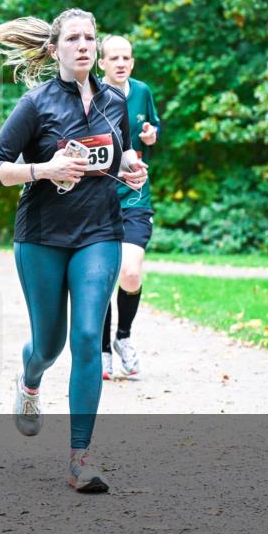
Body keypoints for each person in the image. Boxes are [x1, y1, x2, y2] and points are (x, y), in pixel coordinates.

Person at [0, 9, 147, 493]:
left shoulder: (116, 101)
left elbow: (119, 155)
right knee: (49, 345)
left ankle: (81, 458)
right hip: (41, 238)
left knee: (88, 336)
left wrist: (132, 170)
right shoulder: (36, 104)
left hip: (99, 233)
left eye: (89, 38)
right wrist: (43, 169)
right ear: (54, 50)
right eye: (73, 38)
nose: (83, 45)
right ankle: (29, 381)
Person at [97, 35, 162, 380]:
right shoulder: (90, 94)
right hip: (98, 198)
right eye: (114, 58)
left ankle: (123, 337)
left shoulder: (142, 91)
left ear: (132, 62)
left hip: (136, 196)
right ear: (101, 63)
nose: (121, 63)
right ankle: (102, 350)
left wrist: (151, 134)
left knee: (131, 273)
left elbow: (152, 126)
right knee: (102, 278)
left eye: (126, 58)